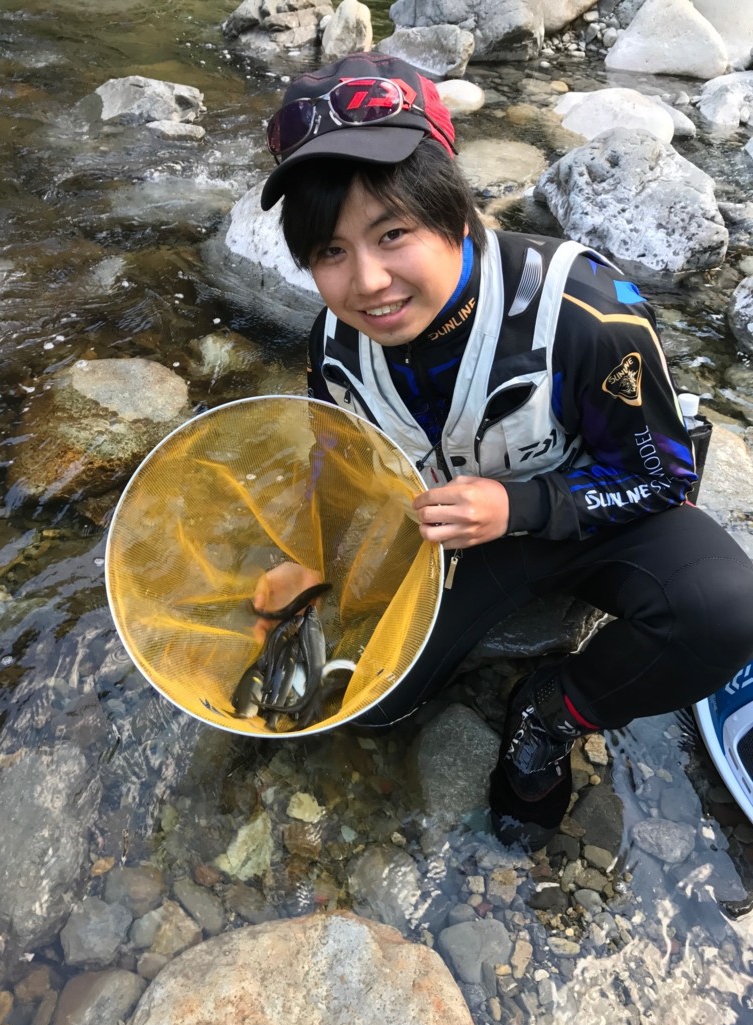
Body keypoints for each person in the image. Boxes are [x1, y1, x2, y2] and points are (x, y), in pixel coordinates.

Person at [256, 51, 753, 849]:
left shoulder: (584, 312)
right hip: (454, 545)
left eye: (393, 234)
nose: (368, 282)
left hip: (595, 519)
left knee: (723, 610)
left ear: (453, 212)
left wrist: (520, 504)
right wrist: (309, 565)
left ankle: (553, 711)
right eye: (330, 253)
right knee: (371, 707)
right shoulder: (335, 346)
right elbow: (337, 464)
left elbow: (662, 475)